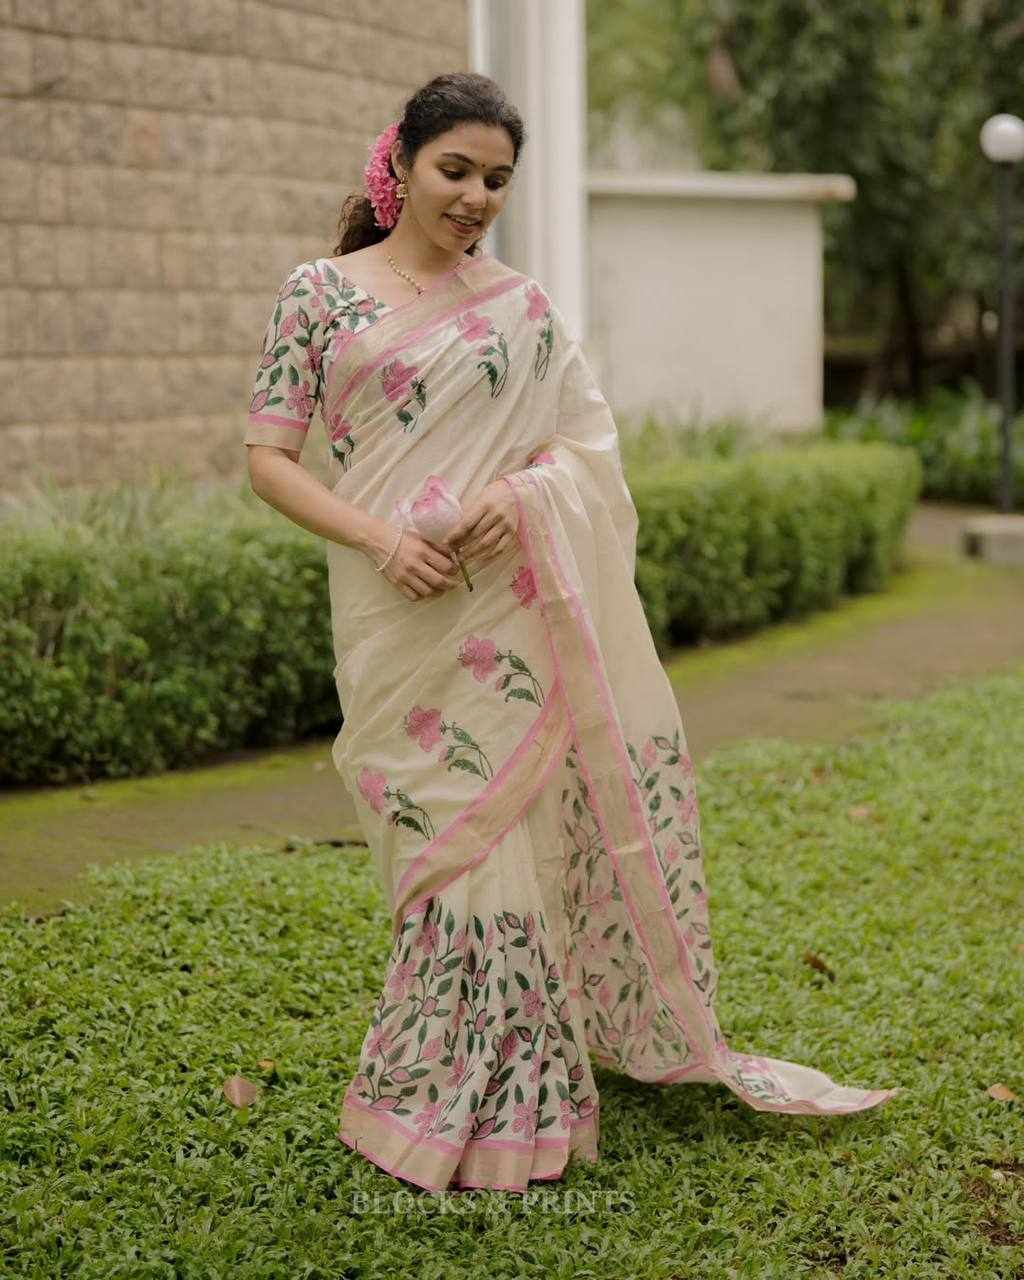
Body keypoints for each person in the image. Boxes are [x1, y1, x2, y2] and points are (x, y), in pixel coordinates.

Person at [243, 71, 901, 1195]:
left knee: (505, 853)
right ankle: (431, 1085)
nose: (475, 197)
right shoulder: (319, 293)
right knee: (436, 844)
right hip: (394, 618)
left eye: (497, 179)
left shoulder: (522, 308)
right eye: (455, 170)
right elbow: (268, 459)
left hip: (507, 618)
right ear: (399, 163)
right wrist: (381, 541)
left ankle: (514, 1097)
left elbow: (585, 450)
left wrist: (525, 493)